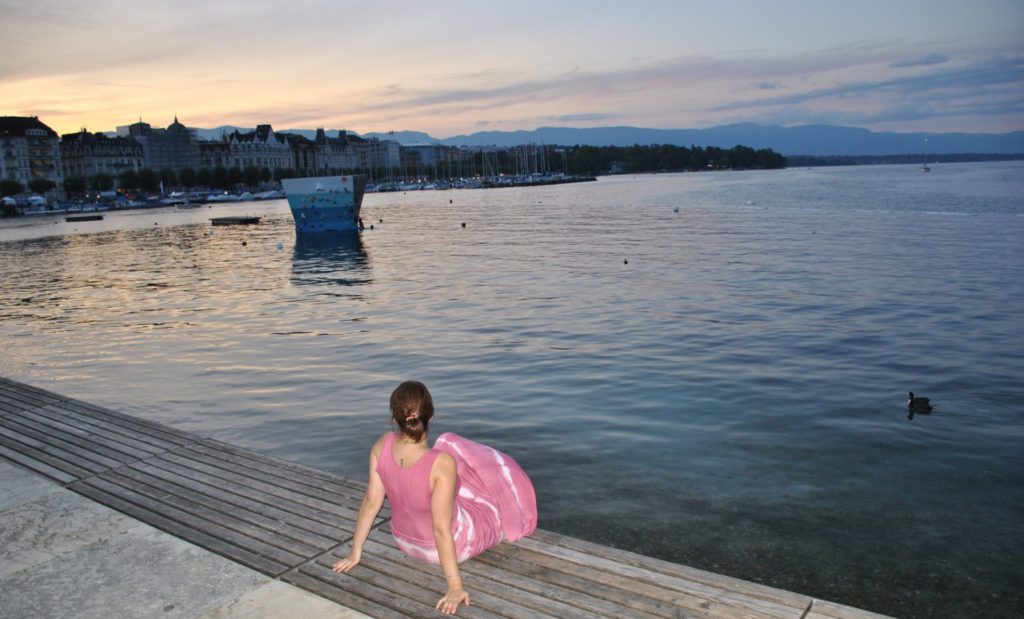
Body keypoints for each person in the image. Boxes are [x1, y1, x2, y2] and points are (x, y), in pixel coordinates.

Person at [332, 380, 537, 615]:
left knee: (449, 452)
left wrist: (354, 552)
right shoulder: (441, 463)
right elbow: (441, 528)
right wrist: (455, 586)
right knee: (491, 505)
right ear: (432, 416)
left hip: (404, 542)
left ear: (394, 417)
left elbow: (371, 501)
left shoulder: (382, 444)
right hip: (446, 548)